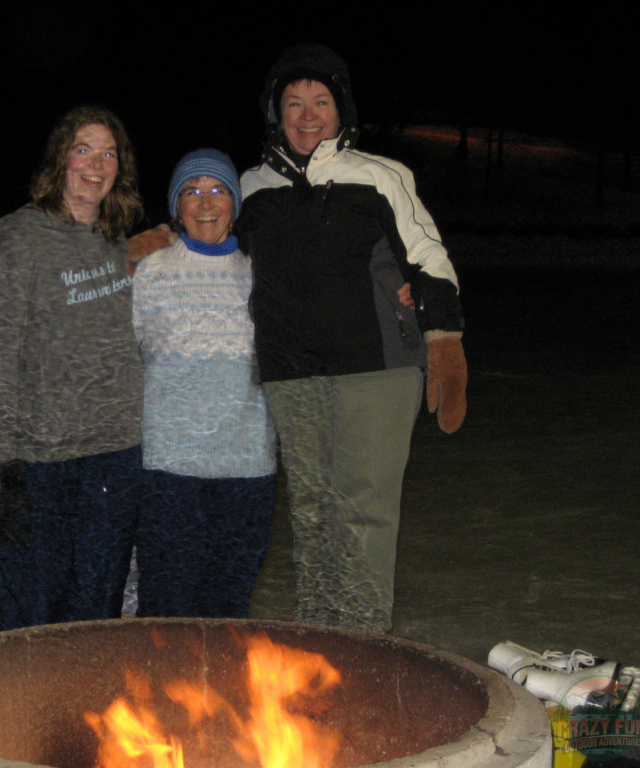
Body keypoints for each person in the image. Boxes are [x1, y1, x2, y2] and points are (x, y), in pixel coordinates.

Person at [235, 43, 467, 633]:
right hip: (290, 372)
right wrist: (157, 241)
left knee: (363, 511)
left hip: (376, 371)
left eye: (321, 101)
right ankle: (320, 637)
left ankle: (362, 641)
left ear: (342, 110)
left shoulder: (379, 176)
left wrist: (444, 340)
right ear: (275, 112)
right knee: (311, 512)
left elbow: (429, 257)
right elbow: (209, 240)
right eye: (294, 103)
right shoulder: (252, 188)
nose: (308, 114)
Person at [0, 105, 145, 632]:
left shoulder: (117, 241)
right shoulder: (24, 241)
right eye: (84, 149)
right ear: (61, 160)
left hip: (116, 455)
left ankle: (83, 713)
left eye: (109, 152)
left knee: (95, 607)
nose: (97, 163)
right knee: (33, 612)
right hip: (42, 459)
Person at [131, 149, 276, 618]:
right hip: (169, 469)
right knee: (167, 607)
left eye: (218, 190)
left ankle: (220, 694)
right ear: (177, 206)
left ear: (235, 202)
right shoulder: (150, 273)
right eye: (191, 191)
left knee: (228, 607)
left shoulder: (263, 274)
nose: (206, 203)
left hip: (247, 466)